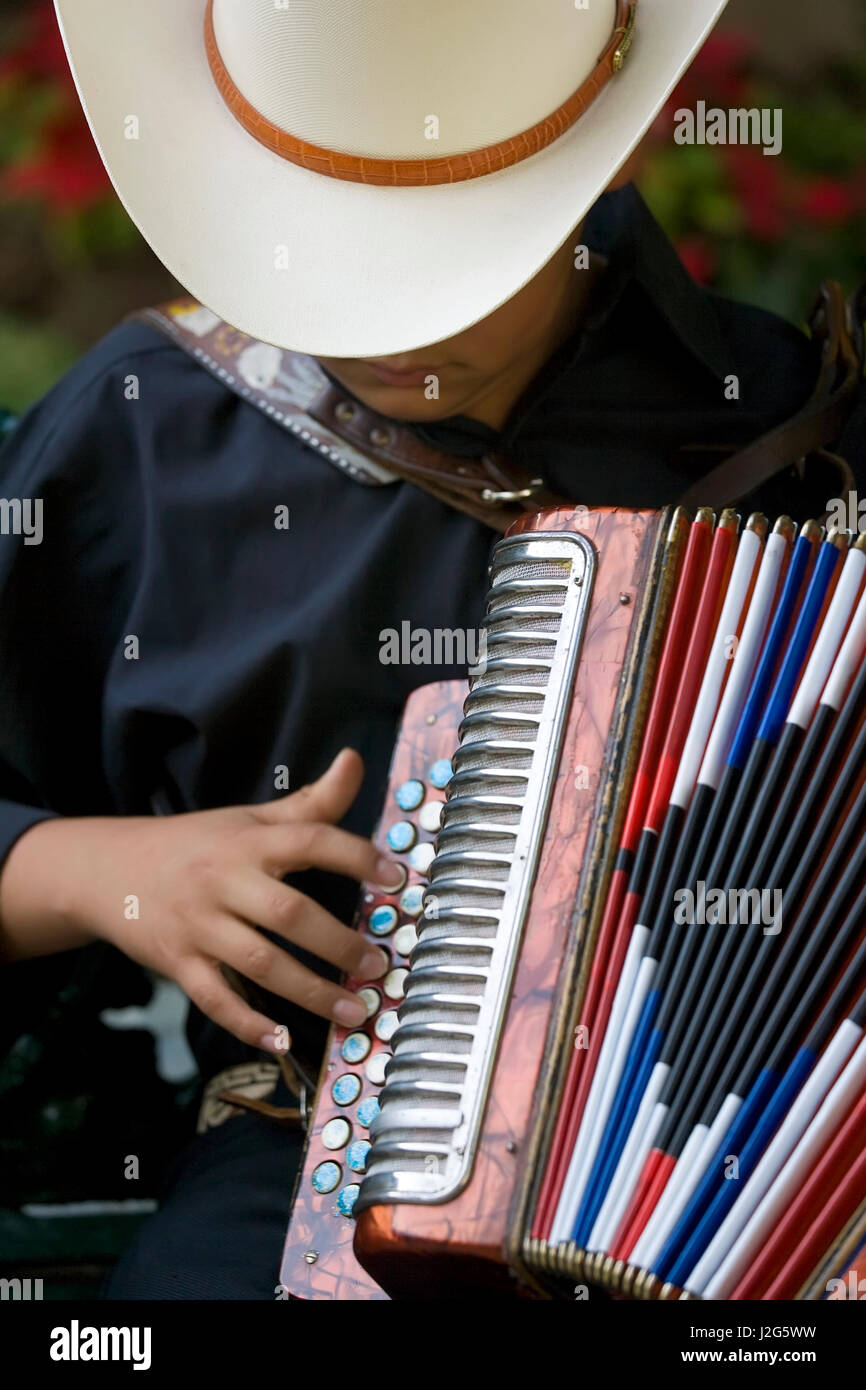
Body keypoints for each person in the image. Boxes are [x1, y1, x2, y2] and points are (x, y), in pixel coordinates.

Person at [0, 0, 863, 1298]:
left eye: (449, 256)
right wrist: (88, 867)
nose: (390, 329)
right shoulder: (144, 436)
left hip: (797, 1160)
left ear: (607, 158)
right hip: (318, 1158)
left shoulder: (798, 427)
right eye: (324, 253)